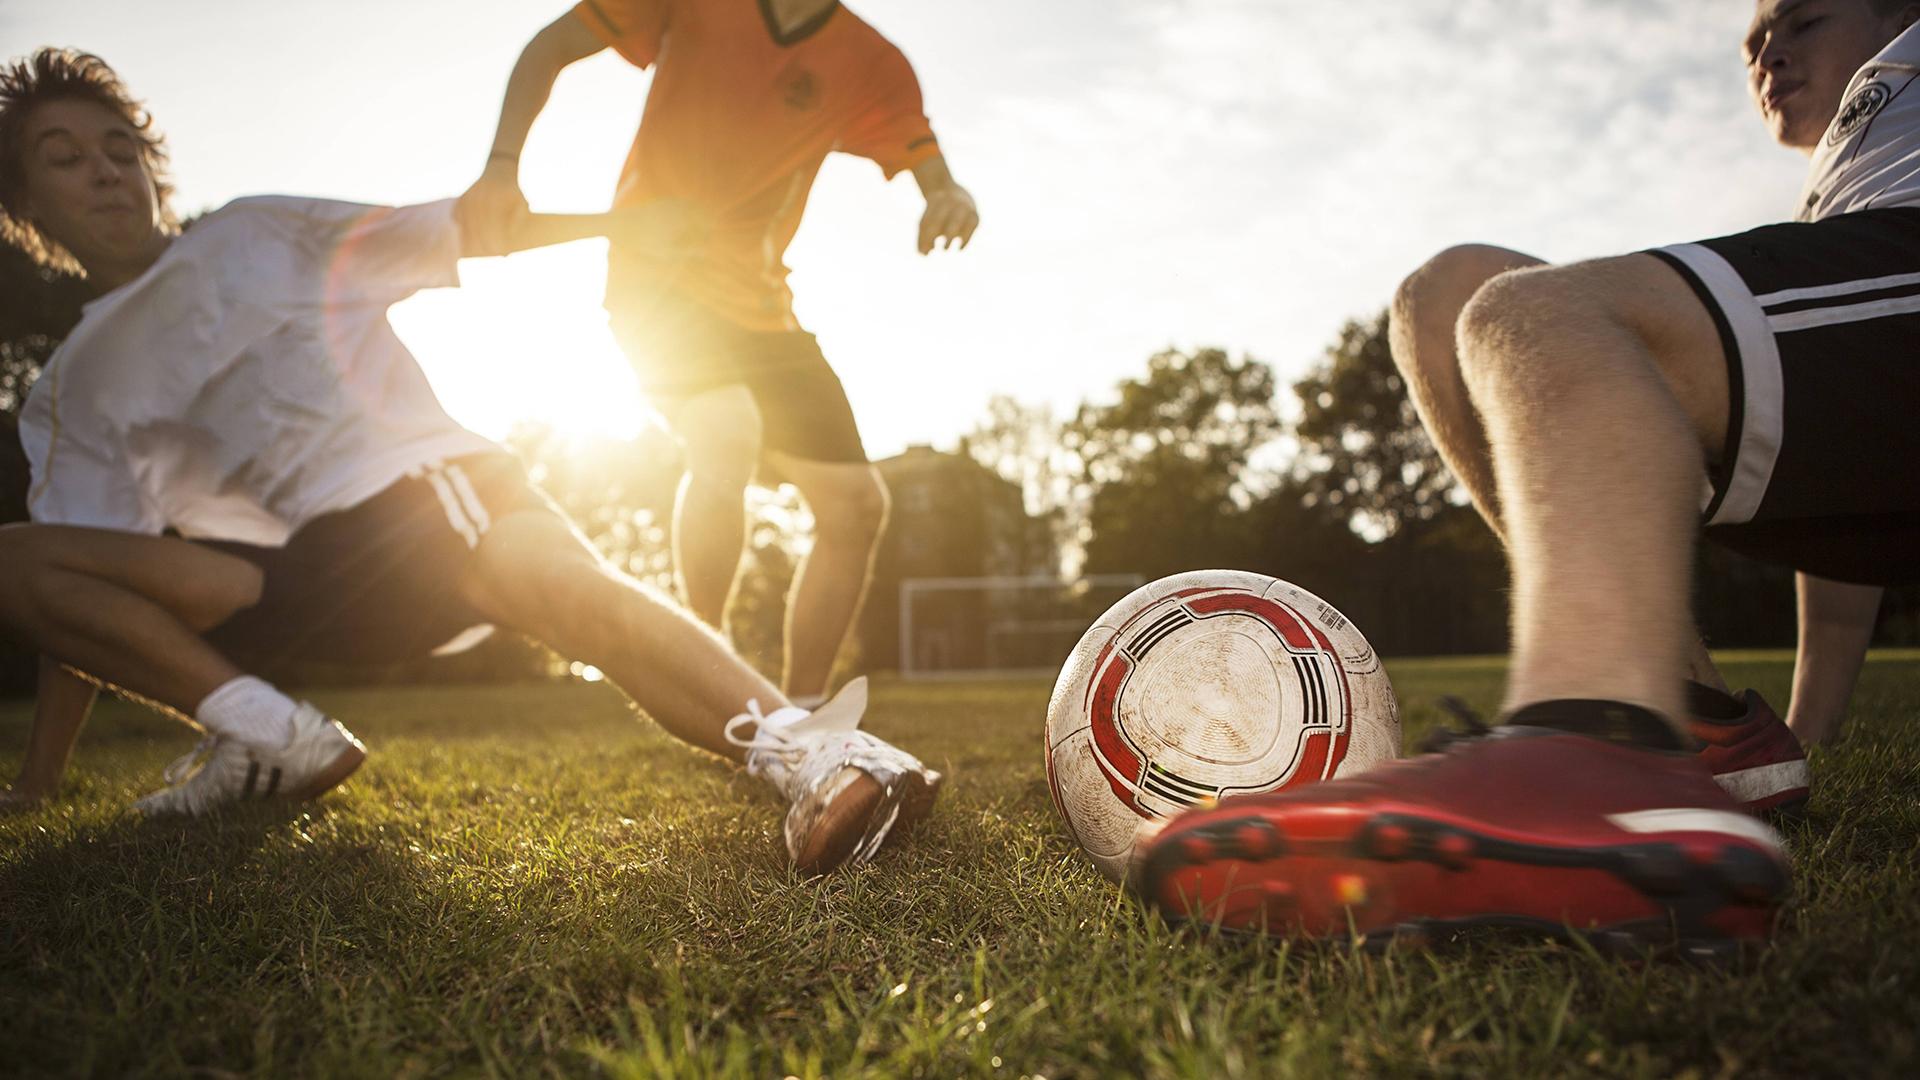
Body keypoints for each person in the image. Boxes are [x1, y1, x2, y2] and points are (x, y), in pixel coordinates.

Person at [0, 48, 940, 875]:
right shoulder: (75, 386)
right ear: (25, 201)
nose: (105, 172)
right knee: (19, 560)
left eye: (119, 149)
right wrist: (40, 782)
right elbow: (81, 603)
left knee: (571, 596)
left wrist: (616, 228)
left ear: (149, 165)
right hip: (285, 587)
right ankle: (262, 734)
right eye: (66, 158)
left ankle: (822, 755)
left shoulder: (251, 237)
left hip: (414, 497)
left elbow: (457, 227)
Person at [1134, 0, 1920, 946]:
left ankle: (1595, 754)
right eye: (1754, 43)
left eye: (1803, 20)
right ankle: (1692, 722)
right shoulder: (1845, 189)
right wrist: (1798, 740)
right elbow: (1842, 460)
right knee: (1449, 296)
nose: (1769, 55)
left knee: (1539, 318)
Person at [461, 0, 980, 710]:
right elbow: (550, 45)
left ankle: (799, 722)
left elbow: (928, 163)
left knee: (856, 507)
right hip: (657, 280)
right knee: (727, 432)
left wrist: (948, 195)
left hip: (763, 308)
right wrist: (501, 168)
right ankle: (709, 684)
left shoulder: (874, 62)